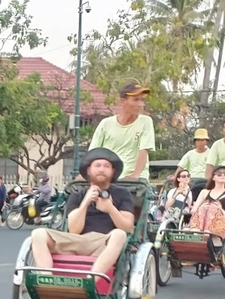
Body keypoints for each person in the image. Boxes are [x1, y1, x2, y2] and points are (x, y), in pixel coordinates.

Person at [30, 148, 135, 277]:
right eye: (97, 165)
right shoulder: (77, 195)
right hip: (77, 240)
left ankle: (90, 280)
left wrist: (110, 209)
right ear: (88, 171)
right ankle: (46, 278)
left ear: (113, 171)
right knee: (38, 233)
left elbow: (128, 228)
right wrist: (85, 202)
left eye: (107, 166)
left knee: (120, 234)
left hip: (105, 243)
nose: (102, 169)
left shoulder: (122, 193)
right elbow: (73, 230)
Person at [88, 82, 156, 180]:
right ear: (123, 101)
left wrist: (135, 175)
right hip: (109, 179)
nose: (141, 104)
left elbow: (144, 150)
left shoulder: (146, 121)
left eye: (142, 100)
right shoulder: (105, 124)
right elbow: (93, 153)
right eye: (136, 100)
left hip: (136, 182)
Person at [189, 164, 225, 246]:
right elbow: (194, 210)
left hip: (222, 224)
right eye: (219, 174)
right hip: (201, 222)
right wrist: (206, 207)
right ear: (213, 177)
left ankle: (207, 233)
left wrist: (219, 209)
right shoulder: (204, 192)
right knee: (204, 207)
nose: (222, 175)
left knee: (213, 208)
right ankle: (198, 232)